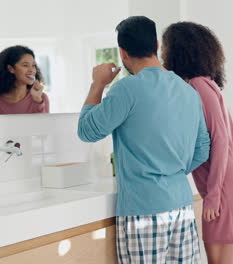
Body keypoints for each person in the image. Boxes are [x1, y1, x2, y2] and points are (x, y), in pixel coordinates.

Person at [78, 16, 210, 263]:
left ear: (122, 53)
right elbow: (202, 149)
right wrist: (170, 172)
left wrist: (97, 84)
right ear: (157, 45)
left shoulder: (126, 89)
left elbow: (87, 131)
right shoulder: (187, 90)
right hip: (181, 205)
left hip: (143, 210)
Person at [162, 21, 233, 264]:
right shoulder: (205, 84)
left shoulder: (198, 86)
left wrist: (213, 195)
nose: (162, 53)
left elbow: (220, 142)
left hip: (227, 188)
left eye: (165, 47)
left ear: (179, 50)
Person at [0, 45, 49, 114]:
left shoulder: (41, 98)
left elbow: (45, 124)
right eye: (25, 65)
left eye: (33, 65)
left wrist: (37, 101)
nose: (32, 70)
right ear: (11, 69)